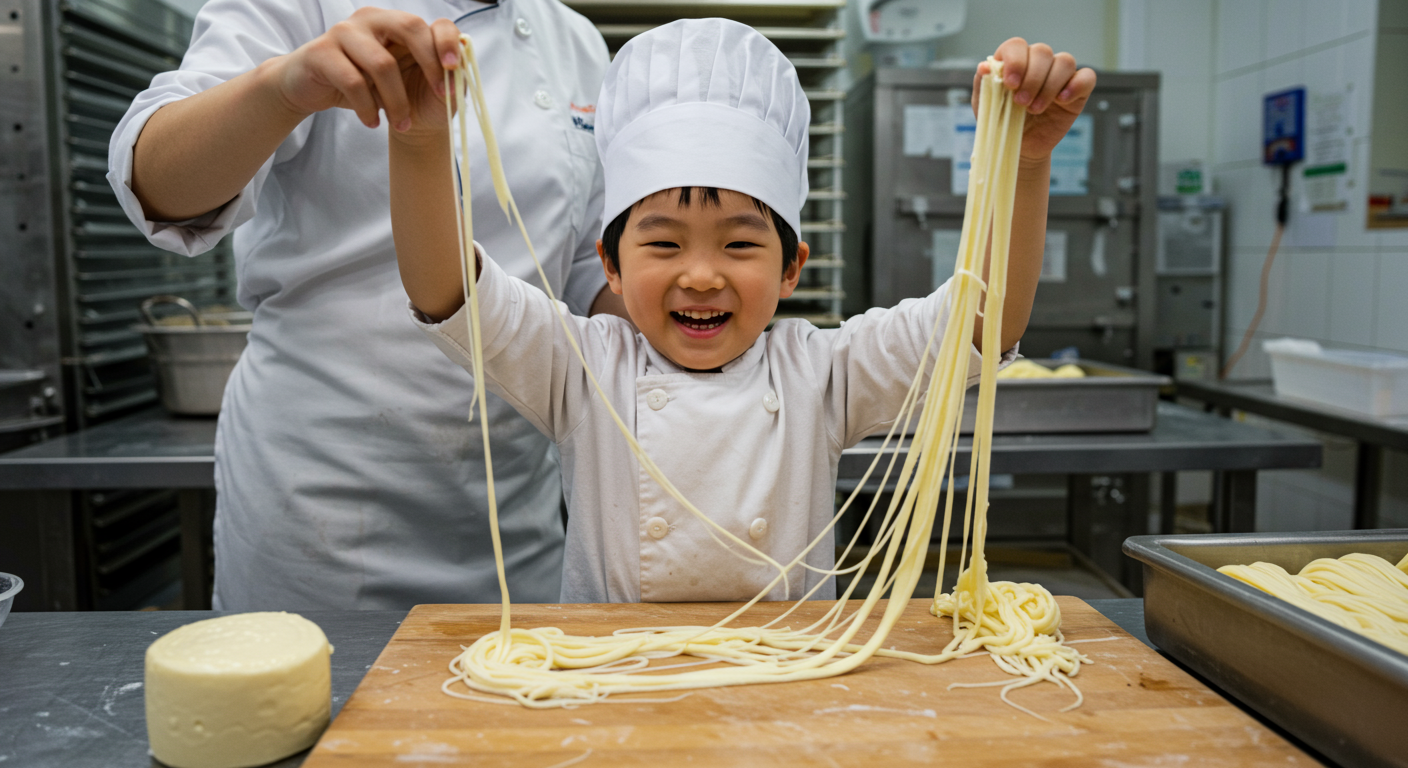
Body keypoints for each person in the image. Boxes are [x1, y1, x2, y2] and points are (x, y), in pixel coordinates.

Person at [392, 19, 1096, 602]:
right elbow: (448, 291)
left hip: (789, 684)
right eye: (664, 242)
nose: (701, 275)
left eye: (738, 244)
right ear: (609, 263)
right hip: (611, 680)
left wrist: (1024, 165)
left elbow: (981, 322)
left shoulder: (818, 373)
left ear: (792, 268)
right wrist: (420, 141)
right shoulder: (583, 368)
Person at [107, 0, 625, 610]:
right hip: (324, 506)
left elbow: (593, 277)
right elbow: (156, 183)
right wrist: (282, 90)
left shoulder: (576, 41)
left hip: (514, 510)